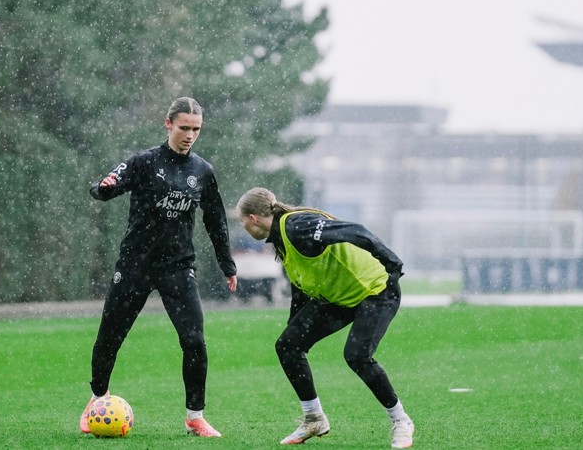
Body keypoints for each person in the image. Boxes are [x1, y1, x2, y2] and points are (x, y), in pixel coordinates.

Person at [80, 97, 238, 438]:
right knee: (110, 337)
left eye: (196, 129)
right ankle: (96, 401)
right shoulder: (144, 162)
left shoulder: (203, 171)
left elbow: (215, 221)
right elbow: (108, 185)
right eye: (184, 128)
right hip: (135, 264)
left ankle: (195, 417)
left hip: (177, 267)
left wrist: (227, 264)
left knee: (194, 340)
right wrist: (102, 188)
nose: (190, 135)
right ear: (168, 124)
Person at [235, 187, 415, 448]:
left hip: (376, 289)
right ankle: (314, 418)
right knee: (288, 346)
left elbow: (356, 231)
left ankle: (401, 421)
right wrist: (294, 329)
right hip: (339, 298)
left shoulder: (298, 226)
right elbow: (300, 286)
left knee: (357, 355)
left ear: (253, 218)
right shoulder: (281, 239)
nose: (245, 229)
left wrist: (393, 264)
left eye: (243, 222)